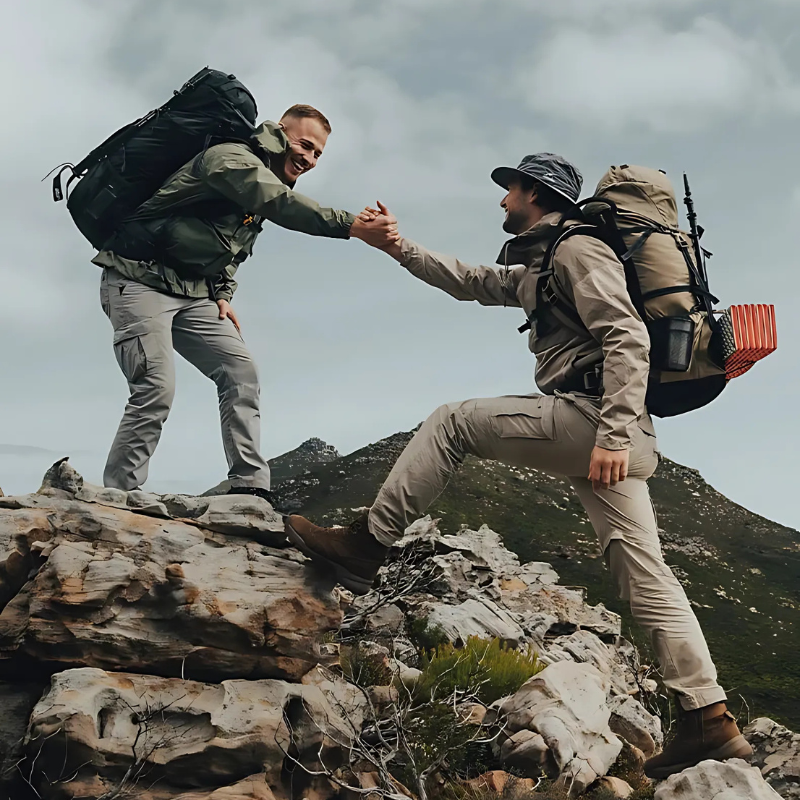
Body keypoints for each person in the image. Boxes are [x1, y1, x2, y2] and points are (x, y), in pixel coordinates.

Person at [283, 153, 753, 778]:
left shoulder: (576, 251)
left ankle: (367, 544)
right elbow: (468, 281)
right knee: (646, 574)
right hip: (615, 432)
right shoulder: (542, 262)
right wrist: (397, 246)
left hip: (595, 421)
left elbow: (627, 337)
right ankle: (708, 717)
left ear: (534, 192)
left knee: (452, 421)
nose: (502, 201)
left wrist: (609, 435)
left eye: (510, 190)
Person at [95, 104, 396, 500]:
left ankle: (250, 489)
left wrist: (222, 294)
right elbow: (279, 204)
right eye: (304, 145)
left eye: (318, 153)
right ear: (279, 133)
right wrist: (351, 225)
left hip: (194, 293)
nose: (309, 158)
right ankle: (119, 495)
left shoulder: (265, 181)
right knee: (155, 385)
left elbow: (232, 249)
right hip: (137, 281)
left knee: (241, 372)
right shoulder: (231, 158)